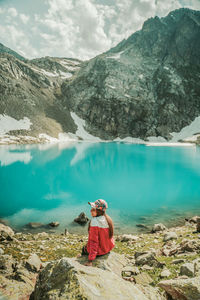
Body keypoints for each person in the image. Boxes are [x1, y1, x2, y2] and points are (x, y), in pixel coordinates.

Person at [79, 199, 115, 266]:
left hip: (100, 252)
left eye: (93, 209)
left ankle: (81, 256)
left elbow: (94, 242)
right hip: (107, 248)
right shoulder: (108, 219)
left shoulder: (95, 222)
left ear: (98, 211)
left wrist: (90, 260)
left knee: (84, 248)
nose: (90, 211)